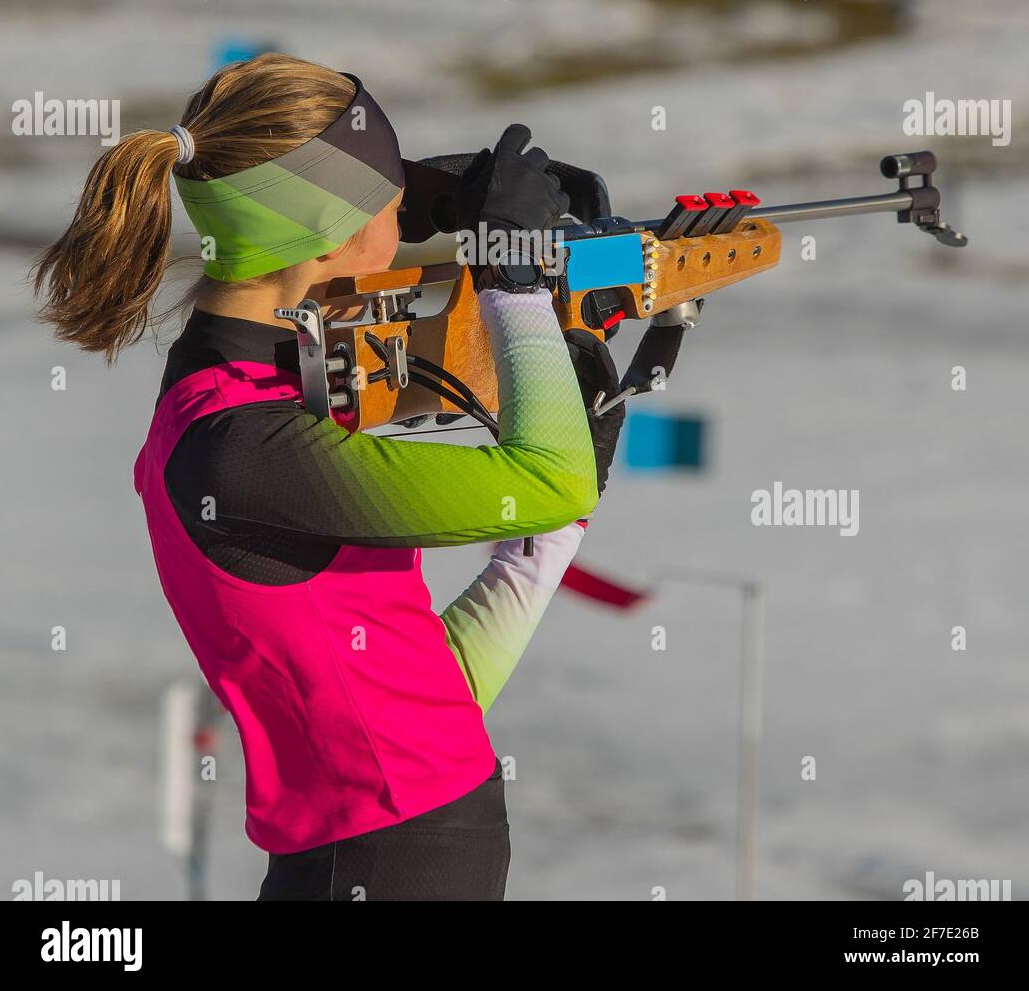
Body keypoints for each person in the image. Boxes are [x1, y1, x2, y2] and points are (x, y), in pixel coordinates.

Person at [33, 53, 625, 901]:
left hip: (396, 849)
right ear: (338, 234)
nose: (409, 223)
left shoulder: (235, 398)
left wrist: (535, 555)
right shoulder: (246, 447)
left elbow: (419, 700)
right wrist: (513, 280)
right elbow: (548, 480)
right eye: (394, 206)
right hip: (397, 864)